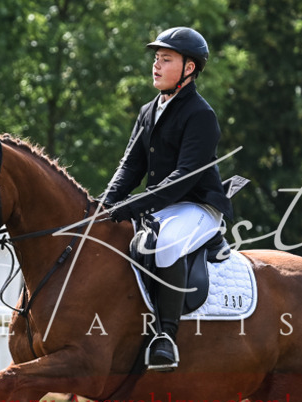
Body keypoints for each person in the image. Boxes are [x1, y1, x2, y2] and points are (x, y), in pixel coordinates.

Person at [102, 26, 234, 372]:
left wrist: (130, 207)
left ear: (189, 68)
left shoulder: (201, 115)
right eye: (156, 59)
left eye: (166, 59)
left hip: (197, 206)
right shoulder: (149, 110)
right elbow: (130, 167)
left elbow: (183, 179)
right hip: (162, 206)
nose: (156, 66)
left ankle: (166, 336)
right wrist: (103, 205)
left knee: (167, 245)